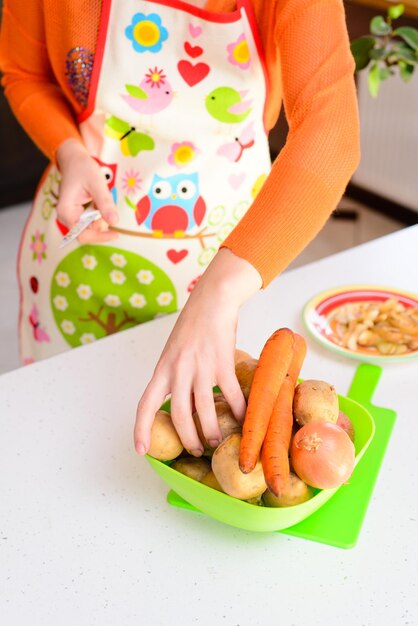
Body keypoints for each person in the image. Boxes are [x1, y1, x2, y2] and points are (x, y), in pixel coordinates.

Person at [0, 0, 360, 456]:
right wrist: (68, 151)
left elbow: (331, 131)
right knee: (66, 447)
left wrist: (218, 293)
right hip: (79, 267)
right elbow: (25, 75)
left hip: (229, 267)